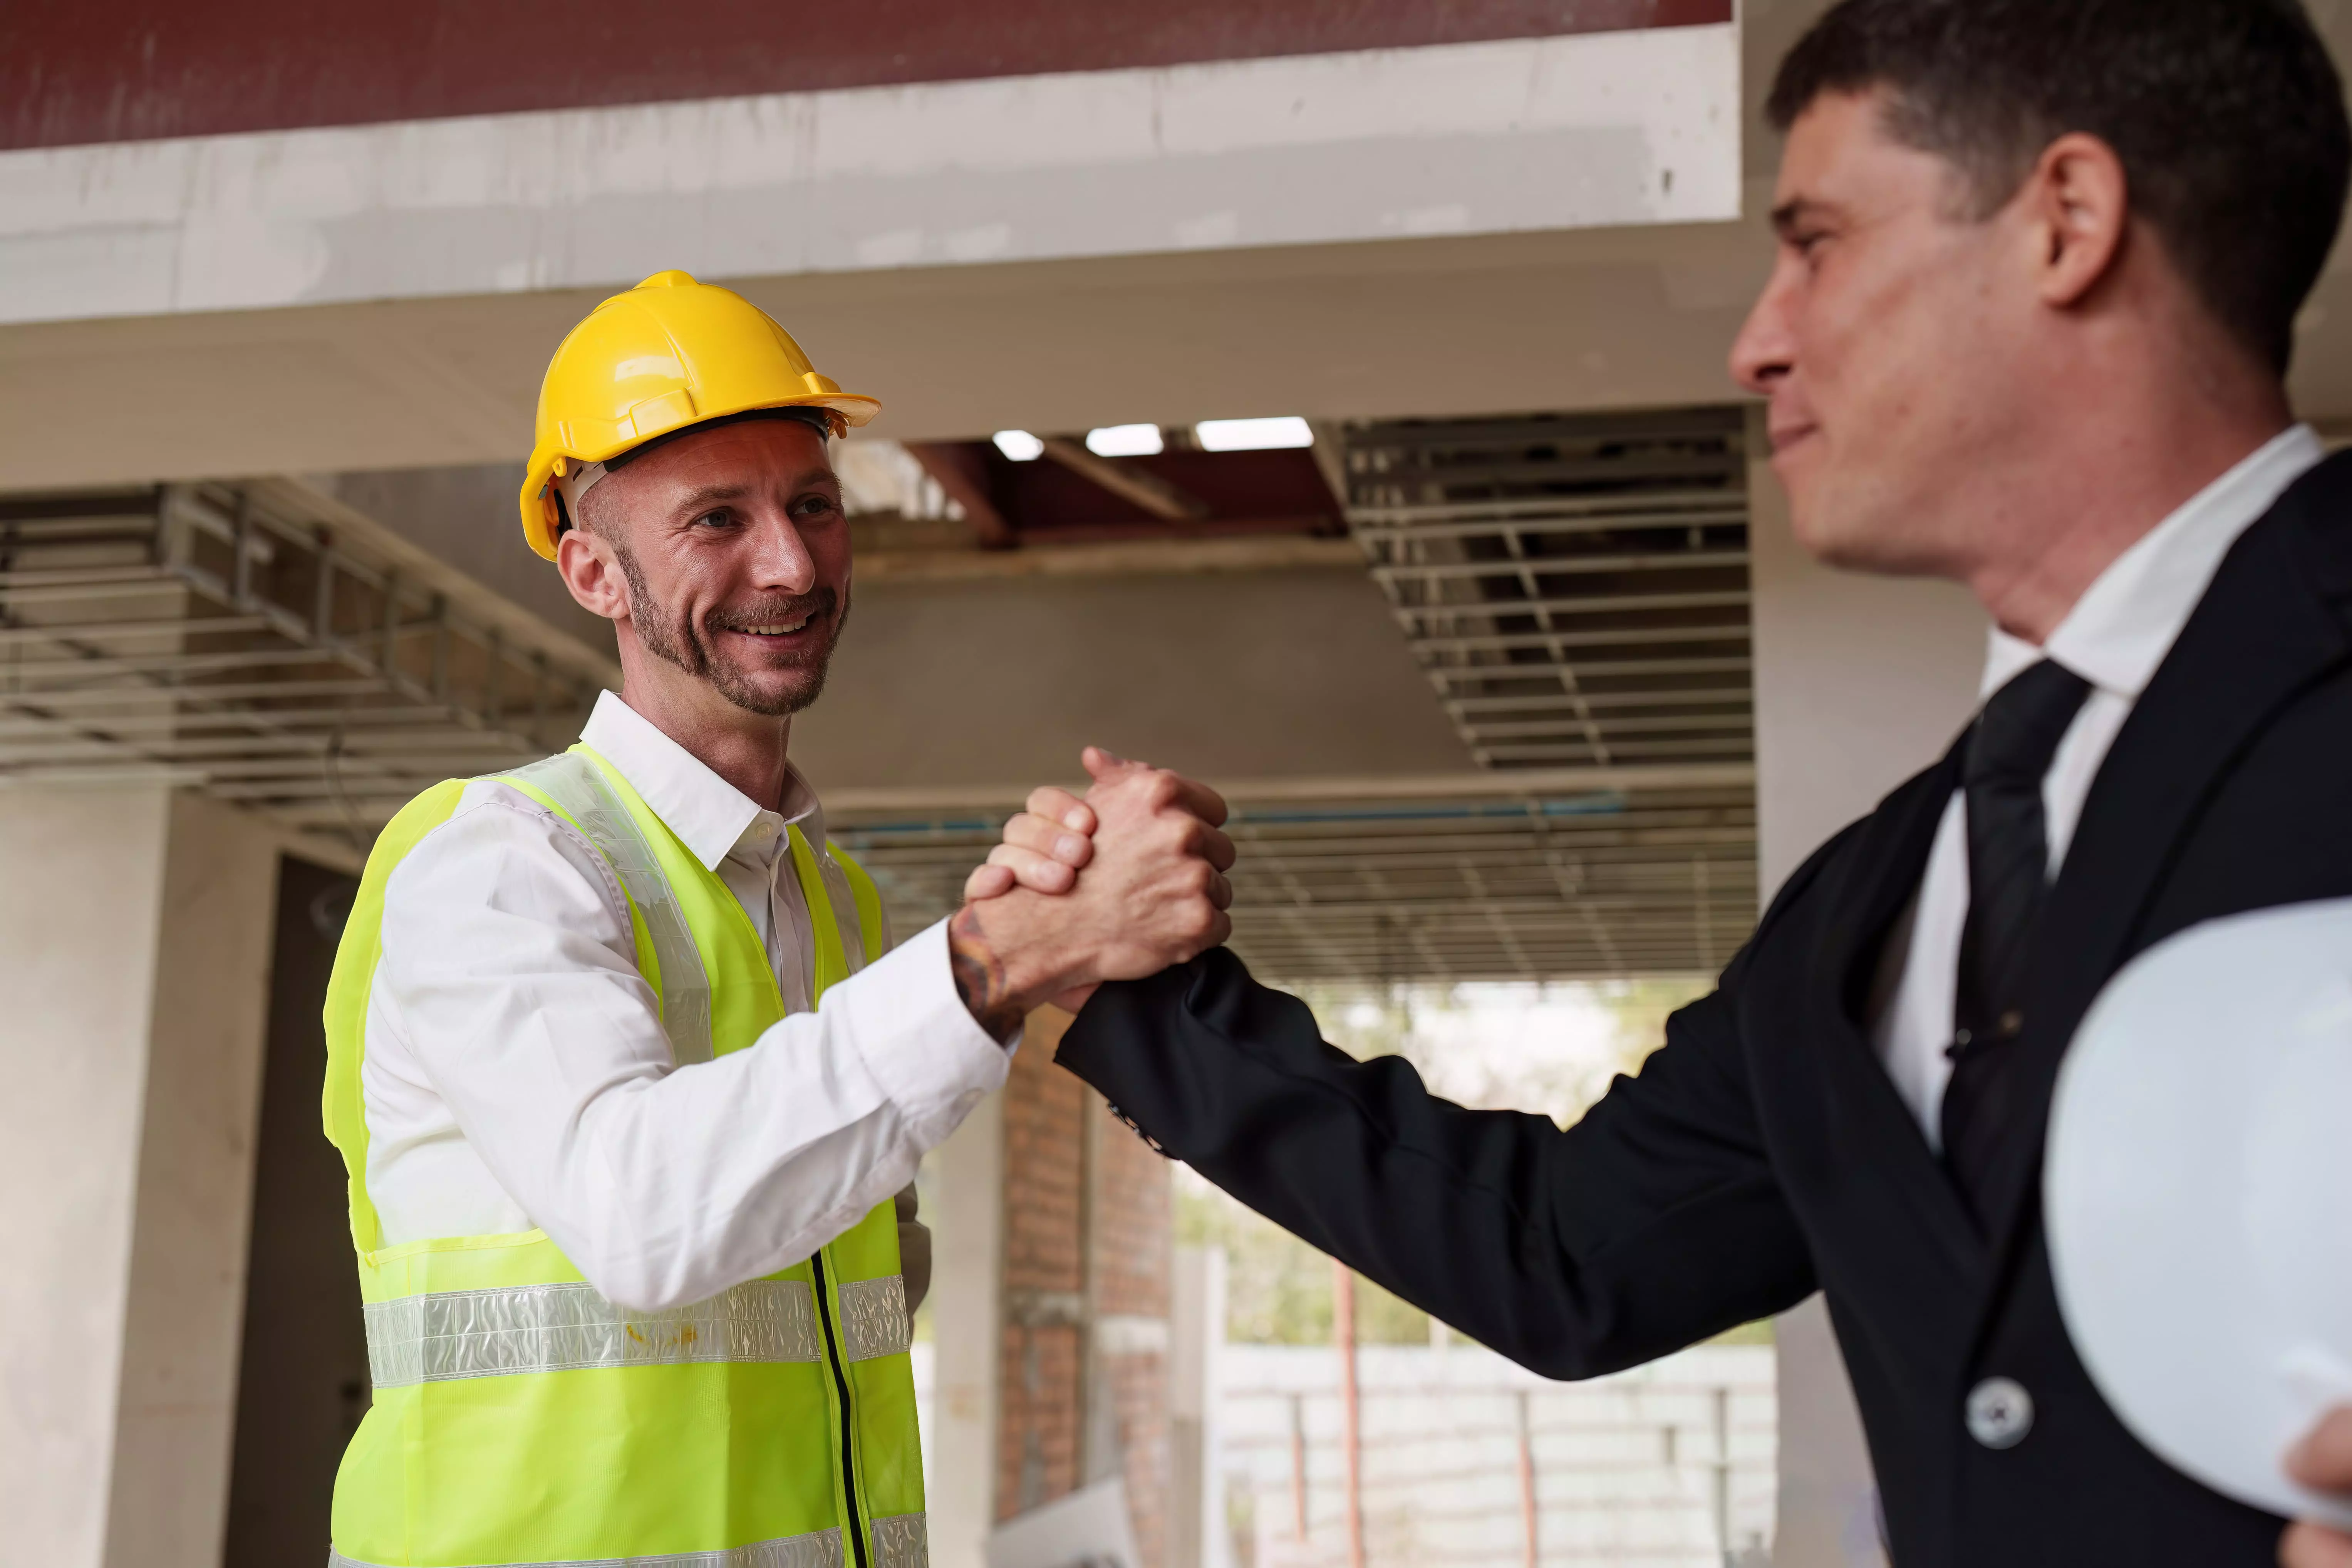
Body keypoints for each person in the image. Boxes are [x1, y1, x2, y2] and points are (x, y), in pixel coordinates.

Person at [973, 2, 2352, 1563]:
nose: (1756, 339)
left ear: (2064, 223)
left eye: (1815, 239)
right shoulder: (1882, 898)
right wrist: (1131, 988)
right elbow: (1571, 1258)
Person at [318, 271, 1234, 1568]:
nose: (793, 562)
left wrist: (1046, 936)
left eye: (813, 505)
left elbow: (837, 1272)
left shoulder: (837, 903)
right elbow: (641, 1213)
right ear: (594, 572)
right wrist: (1000, 959)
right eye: (716, 519)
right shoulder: (501, 865)